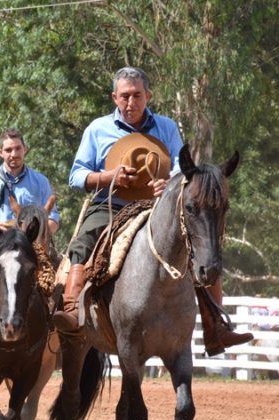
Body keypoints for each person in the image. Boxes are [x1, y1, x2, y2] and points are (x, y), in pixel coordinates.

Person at [52, 67, 252, 353]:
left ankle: (215, 327)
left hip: (158, 207)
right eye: (124, 96)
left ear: (147, 96)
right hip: (111, 204)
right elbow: (76, 176)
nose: (130, 102)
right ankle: (72, 310)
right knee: (83, 242)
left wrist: (168, 183)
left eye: (136, 95)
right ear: (114, 97)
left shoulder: (167, 127)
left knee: (201, 249)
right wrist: (110, 178)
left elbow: (180, 167)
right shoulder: (97, 129)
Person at [0, 128, 60, 241]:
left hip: (30, 243)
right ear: (1, 153)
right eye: (8, 150)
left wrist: (37, 234)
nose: (14, 154)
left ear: (25, 149)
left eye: (18, 148)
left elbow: (53, 219)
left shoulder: (41, 181)